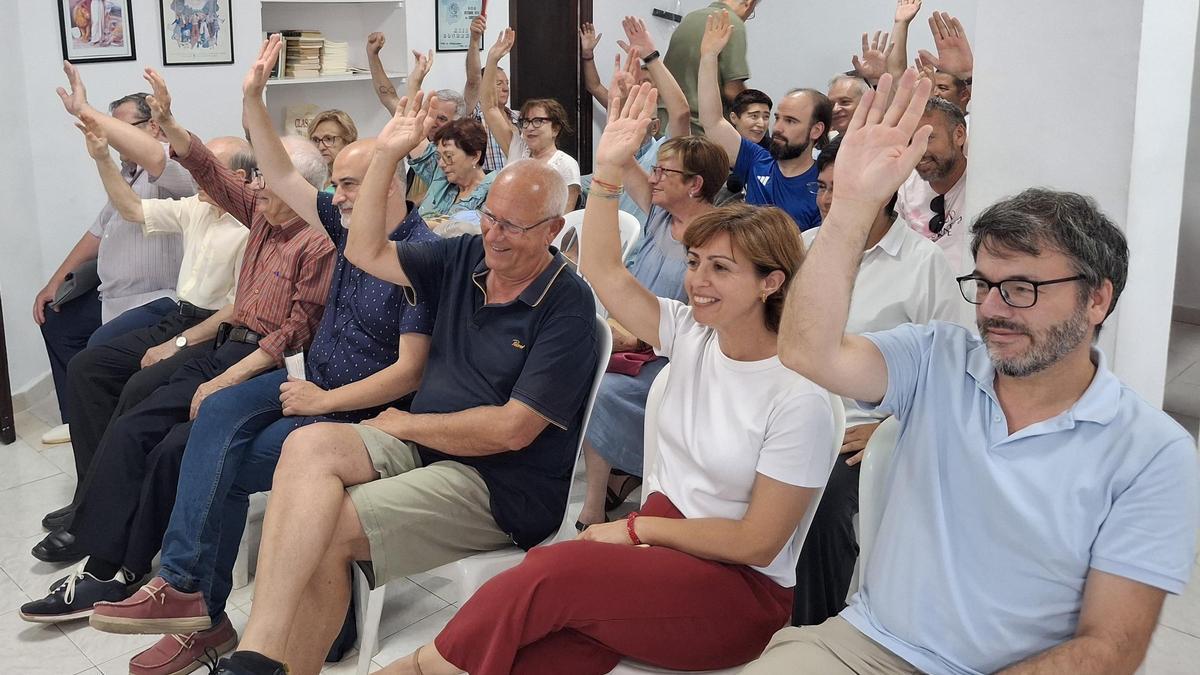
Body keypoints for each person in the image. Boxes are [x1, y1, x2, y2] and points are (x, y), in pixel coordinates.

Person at [743, 69, 1198, 675]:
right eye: (983, 285)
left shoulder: (1152, 452)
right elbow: (807, 350)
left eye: (1021, 288)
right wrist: (852, 204)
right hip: (869, 648)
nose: (990, 309)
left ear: (1097, 300)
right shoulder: (938, 360)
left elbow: (1108, 649)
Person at [380, 82, 834, 675]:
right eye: (695, 263)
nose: (697, 281)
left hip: (736, 594)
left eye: (721, 269)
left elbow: (757, 544)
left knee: (549, 574)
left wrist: (636, 529)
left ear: (770, 284)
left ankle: (420, 666)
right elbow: (601, 271)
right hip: (661, 551)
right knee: (534, 655)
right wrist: (611, 173)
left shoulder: (800, 395)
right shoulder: (694, 334)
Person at [207, 92, 600, 675]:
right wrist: (388, 156)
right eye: (489, 217)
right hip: (426, 446)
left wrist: (408, 422)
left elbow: (513, 430)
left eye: (514, 227)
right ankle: (258, 654)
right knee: (307, 444)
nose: (494, 235)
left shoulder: (566, 307)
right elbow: (364, 248)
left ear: (553, 230)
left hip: (499, 485)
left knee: (329, 527)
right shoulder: (465, 257)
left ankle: (276, 663)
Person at [82, 37, 440, 673]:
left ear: (396, 182)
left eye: (353, 183)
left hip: (351, 413)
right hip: (306, 388)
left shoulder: (416, 255)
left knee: (215, 451)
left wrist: (322, 399)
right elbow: (266, 176)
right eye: (337, 185)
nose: (340, 195)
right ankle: (193, 595)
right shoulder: (339, 225)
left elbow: (408, 372)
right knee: (212, 414)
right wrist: (251, 97)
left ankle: (211, 609)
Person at [20, 66, 337, 622]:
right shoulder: (264, 215)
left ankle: (117, 570)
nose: (257, 185)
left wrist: (221, 379)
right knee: (132, 420)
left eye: (268, 176)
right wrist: (167, 120)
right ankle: (100, 553)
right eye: (258, 175)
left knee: (170, 445)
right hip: (227, 346)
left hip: (262, 362)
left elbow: (294, 334)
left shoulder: (318, 241)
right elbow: (207, 171)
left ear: (297, 185)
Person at [34, 116, 253, 551]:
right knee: (87, 368)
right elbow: (132, 209)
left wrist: (176, 344)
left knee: (138, 387)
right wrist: (101, 159)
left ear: (239, 177)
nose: (197, 173)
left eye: (208, 166)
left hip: (213, 331)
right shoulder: (198, 206)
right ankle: (91, 497)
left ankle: (100, 519)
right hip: (181, 315)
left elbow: (239, 308)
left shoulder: (250, 227)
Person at [789, 134, 970, 626]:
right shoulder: (804, 249)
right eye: (822, 188)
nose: (828, 200)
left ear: (881, 191)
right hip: (794, 411)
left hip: (860, 425)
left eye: (840, 187)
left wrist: (890, 425)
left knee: (820, 504)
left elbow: (953, 366)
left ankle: (815, 628)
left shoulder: (922, 265)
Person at [575, 133, 730, 529]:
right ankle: (595, 496)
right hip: (627, 335)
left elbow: (706, 321)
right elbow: (624, 165)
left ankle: (623, 483)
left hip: (672, 355)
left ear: (695, 185)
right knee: (573, 365)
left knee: (601, 387)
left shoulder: (717, 239)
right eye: (655, 168)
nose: (654, 177)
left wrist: (639, 335)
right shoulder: (662, 214)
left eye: (665, 171)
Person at [36, 64, 197, 447]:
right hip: (113, 297)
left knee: (95, 353)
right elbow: (95, 233)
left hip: (157, 300)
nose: (112, 137)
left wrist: (85, 110)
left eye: (123, 128)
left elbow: (157, 158)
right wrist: (55, 280)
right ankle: (79, 419)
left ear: (154, 127)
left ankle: (106, 428)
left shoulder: (173, 170)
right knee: (58, 321)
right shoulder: (125, 177)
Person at [698, 11, 830, 231]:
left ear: (816, 130)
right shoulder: (758, 160)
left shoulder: (823, 186)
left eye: (791, 121)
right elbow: (711, 121)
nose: (777, 128)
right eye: (778, 118)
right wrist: (709, 57)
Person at [579, 17, 692, 223]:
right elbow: (595, 87)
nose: (636, 90)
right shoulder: (617, 150)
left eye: (646, 84)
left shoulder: (663, 154)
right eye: (635, 84)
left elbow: (681, 113)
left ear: (655, 126)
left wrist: (651, 56)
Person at [481, 28, 582, 211]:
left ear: (555, 128)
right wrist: (492, 59)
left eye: (538, 121)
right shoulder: (519, 148)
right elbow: (489, 107)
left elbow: (565, 217)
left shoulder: (565, 165)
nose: (529, 128)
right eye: (525, 122)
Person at [661, 0, 759, 134]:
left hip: (665, 123)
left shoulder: (690, 18)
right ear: (749, 3)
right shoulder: (732, 23)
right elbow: (732, 90)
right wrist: (758, 111)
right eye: (751, 13)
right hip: (698, 132)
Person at [895, 96, 969, 272]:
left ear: (959, 135)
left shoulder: (982, 182)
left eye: (928, 138)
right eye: (910, 142)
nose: (919, 151)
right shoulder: (901, 189)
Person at [406, 117, 493, 227]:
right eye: (439, 156)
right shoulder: (441, 178)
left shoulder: (494, 192)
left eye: (448, 156)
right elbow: (413, 139)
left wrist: (425, 225)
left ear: (475, 156)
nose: (441, 164)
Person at [464, 13, 518, 172]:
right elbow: (473, 80)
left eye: (507, 83)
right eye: (499, 83)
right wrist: (474, 40)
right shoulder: (477, 117)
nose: (506, 88)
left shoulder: (519, 117)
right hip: (488, 189)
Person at [307, 109, 358, 189]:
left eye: (328, 139)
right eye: (316, 140)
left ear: (348, 141)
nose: (321, 147)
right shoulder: (309, 178)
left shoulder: (357, 179)